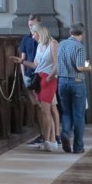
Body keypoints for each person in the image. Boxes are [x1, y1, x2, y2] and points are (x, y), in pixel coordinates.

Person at [55, 23, 91, 153]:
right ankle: (78, 146)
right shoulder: (79, 46)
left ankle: (65, 133)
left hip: (62, 81)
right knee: (79, 115)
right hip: (76, 82)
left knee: (66, 112)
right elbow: (80, 67)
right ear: (82, 33)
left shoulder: (61, 44)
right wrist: (89, 67)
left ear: (71, 32)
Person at [12, 14, 46, 145]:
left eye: (33, 25)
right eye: (29, 25)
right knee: (36, 105)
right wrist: (24, 76)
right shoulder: (26, 39)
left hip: (42, 75)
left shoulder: (43, 39)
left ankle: (51, 135)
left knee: (46, 106)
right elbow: (23, 58)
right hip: (29, 74)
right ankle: (42, 133)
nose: (31, 28)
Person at [31, 23, 60, 151]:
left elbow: (57, 64)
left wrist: (49, 78)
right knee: (43, 111)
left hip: (49, 79)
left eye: (34, 34)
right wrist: (21, 62)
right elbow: (36, 64)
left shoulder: (53, 43)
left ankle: (50, 140)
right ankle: (49, 140)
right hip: (39, 78)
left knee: (47, 110)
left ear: (40, 32)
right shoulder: (39, 45)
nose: (33, 36)